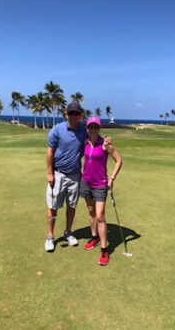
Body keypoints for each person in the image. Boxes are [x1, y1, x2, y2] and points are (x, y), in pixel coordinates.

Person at [44, 102, 111, 252]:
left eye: (77, 114)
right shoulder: (57, 130)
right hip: (58, 173)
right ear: (66, 115)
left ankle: (68, 232)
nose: (74, 116)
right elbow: (50, 152)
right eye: (71, 113)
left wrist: (106, 140)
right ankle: (50, 236)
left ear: (81, 115)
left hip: (75, 175)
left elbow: (94, 137)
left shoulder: (83, 130)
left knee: (72, 205)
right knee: (53, 206)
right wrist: (49, 173)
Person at [80, 117, 122, 266]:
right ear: (87, 128)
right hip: (86, 182)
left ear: (99, 128)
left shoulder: (105, 143)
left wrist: (112, 178)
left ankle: (104, 249)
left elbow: (119, 160)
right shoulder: (84, 141)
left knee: (100, 216)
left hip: (100, 184)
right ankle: (94, 237)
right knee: (91, 211)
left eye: (95, 127)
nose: (93, 129)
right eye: (90, 127)